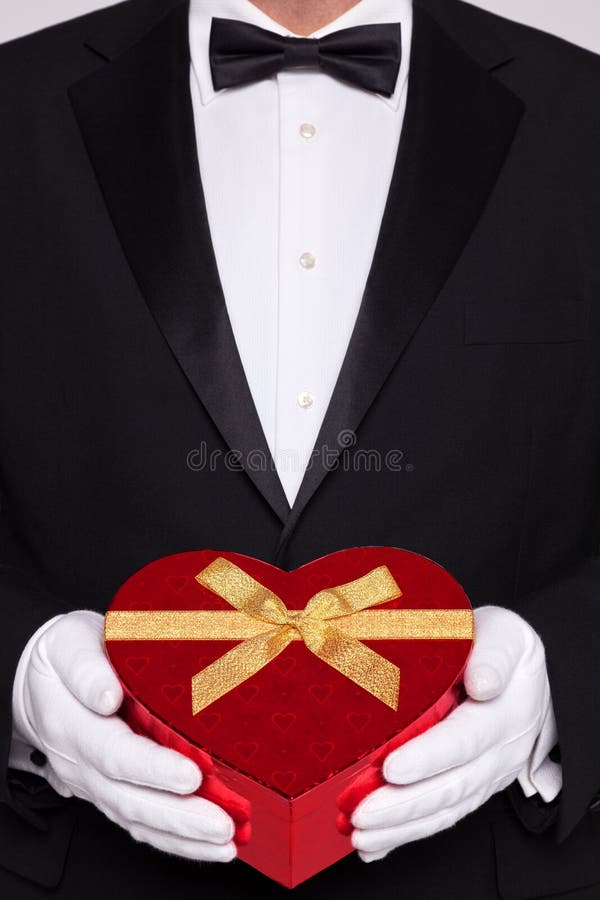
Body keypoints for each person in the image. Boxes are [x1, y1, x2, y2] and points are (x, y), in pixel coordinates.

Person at [1, 0, 599, 897]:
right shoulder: (15, 109)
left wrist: (568, 675)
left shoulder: (584, 117)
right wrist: (17, 670)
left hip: (502, 869)